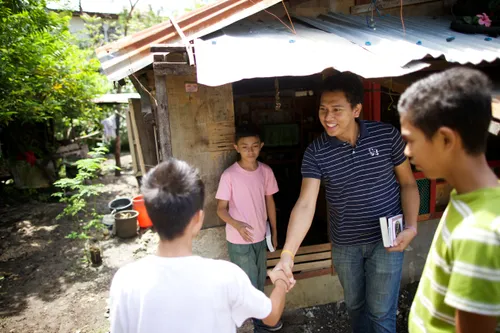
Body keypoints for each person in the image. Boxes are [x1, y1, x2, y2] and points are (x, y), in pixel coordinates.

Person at [274, 72, 420, 333]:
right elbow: (306, 204)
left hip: (387, 240)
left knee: (381, 313)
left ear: (356, 109)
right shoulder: (316, 152)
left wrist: (411, 227)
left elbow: (408, 184)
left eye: (336, 110)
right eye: (323, 109)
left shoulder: (386, 136)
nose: (327, 117)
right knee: (355, 307)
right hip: (345, 246)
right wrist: (287, 255)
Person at [109, 158, 290, 333]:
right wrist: (280, 281)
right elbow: (271, 316)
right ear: (198, 219)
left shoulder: (125, 281)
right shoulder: (227, 276)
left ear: (149, 216)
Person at [398, 67, 500, 333]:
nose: (406, 151)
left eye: (410, 140)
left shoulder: (478, 234)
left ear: (445, 139)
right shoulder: (468, 198)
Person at [216, 126, 282, 332]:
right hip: (238, 239)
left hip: (260, 236)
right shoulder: (229, 175)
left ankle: (257, 318)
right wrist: (237, 225)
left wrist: (274, 229)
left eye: (254, 146)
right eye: (244, 147)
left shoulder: (266, 172)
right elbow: (220, 209)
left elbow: (270, 202)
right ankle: (259, 323)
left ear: (261, 146)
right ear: (236, 147)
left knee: (259, 279)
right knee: (249, 282)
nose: (250, 151)